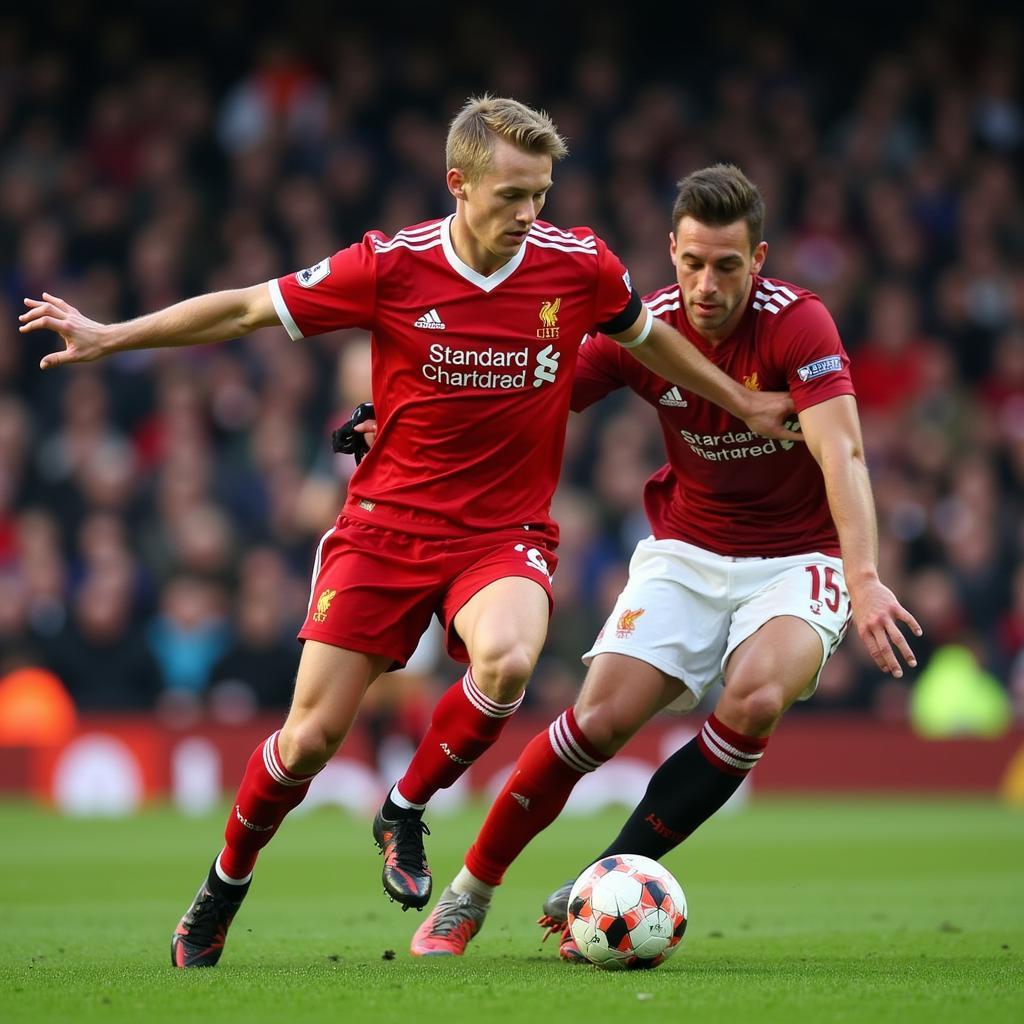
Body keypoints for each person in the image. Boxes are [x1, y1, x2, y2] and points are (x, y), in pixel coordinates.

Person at [19, 101, 796, 969]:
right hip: (384, 531)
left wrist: (744, 402)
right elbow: (244, 309)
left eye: (540, 194)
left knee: (505, 662)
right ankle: (223, 887)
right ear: (457, 185)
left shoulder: (580, 268)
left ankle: (405, 806)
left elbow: (651, 342)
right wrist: (111, 335)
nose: (529, 213)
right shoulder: (390, 266)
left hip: (503, 532)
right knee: (308, 741)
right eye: (511, 195)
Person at [406, 163, 921, 959]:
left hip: (799, 556)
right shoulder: (644, 330)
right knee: (597, 723)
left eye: (725, 265)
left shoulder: (800, 326)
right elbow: (525, 397)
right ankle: (467, 894)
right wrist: (406, 424)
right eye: (691, 263)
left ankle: (602, 877)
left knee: (751, 700)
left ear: (759, 259)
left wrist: (863, 579)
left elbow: (843, 451)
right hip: (687, 550)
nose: (706, 284)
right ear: (670, 252)